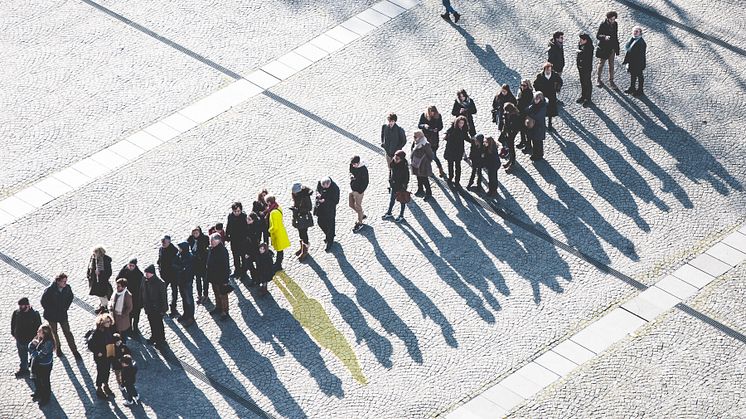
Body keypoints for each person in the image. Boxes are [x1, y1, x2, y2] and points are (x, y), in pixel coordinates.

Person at [41, 273, 82, 360]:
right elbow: (43, 302)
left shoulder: (67, 288)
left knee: (67, 332)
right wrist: (51, 310)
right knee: (54, 332)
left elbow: (71, 297)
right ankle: (58, 348)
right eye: (63, 281)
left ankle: (74, 351)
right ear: (58, 281)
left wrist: (65, 308)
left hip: (62, 314)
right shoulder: (50, 290)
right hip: (52, 316)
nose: (65, 283)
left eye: (66, 281)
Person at [85, 313, 116, 399]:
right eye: (107, 322)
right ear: (102, 322)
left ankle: (106, 385)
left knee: (107, 371)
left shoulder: (108, 329)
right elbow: (90, 345)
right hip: (101, 356)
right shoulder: (96, 333)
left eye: (109, 321)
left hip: (108, 353)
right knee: (101, 371)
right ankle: (99, 388)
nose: (109, 323)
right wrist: (97, 352)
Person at [11, 297, 41, 378]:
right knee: (22, 355)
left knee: (33, 356)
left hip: (31, 340)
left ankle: (34, 372)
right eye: (20, 306)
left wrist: (37, 338)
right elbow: (13, 324)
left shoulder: (34, 314)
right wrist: (14, 333)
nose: (20, 308)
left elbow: (39, 327)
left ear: (27, 306)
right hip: (20, 339)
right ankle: (24, 369)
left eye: (22, 306)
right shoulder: (16, 313)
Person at [28, 325, 55, 405]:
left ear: (44, 333)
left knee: (45, 381)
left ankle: (46, 397)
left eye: (39, 331)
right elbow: (29, 346)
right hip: (37, 363)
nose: (37, 332)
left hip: (44, 365)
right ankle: (38, 392)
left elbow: (41, 355)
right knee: (36, 379)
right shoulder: (39, 338)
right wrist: (33, 344)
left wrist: (33, 351)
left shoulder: (49, 342)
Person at [206, 233, 231, 321]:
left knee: (223, 294)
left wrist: (225, 280)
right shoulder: (212, 249)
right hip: (213, 276)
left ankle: (225, 310)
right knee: (216, 293)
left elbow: (225, 267)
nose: (211, 243)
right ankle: (218, 307)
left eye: (212, 241)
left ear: (218, 241)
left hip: (221, 278)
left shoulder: (222, 251)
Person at [141, 264, 167, 346]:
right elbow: (142, 291)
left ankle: (160, 339)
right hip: (149, 307)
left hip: (157, 307)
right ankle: (154, 336)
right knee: (152, 322)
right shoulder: (145, 280)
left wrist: (164, 309)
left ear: (152, 273)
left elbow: (163, 297)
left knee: (158, 324)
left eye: (147, 273)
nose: (146, 275)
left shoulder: (160, 283)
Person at [382, 150, 410, 223]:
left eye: (397, 159)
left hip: (400, 187)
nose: (395, 159)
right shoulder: (393, 163)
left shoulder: (404, 167)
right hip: (394, 185)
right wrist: (390, 180)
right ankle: (389, 212)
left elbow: (406, 178)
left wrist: (403, 186)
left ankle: (401, 215)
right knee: (392, 200)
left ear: (401, 159)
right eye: (395, 157)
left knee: (402, 201)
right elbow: (391, 172)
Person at [533, 62, 563, 130]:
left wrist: (557, 88)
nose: (548, 71)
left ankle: (550, 123)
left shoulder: (554, 75)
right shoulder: (540, 76)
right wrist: (539, 92)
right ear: (544, 69)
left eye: (549, 70)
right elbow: (535, 84)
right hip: (543, 95)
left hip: (551, 94)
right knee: (542, 109)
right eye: (547, 70)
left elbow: (560, 81)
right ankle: (543, 123)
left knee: (550, 109)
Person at [116, 258, 142, 334]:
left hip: (136, 297)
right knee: (128, 312)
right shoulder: (124, 270)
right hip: (126, 296)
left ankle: (135, 326)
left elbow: (141, 286)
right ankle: (129, 327)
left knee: (136, 312)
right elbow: (118, 279)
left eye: (132, 266)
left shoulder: (139, 274)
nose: (130, 267)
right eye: (129, 265)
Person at [418, 105, 445, 178]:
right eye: (431, 112)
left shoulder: (438, 116)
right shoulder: (424, 116)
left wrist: (437, 129)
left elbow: (441, 126)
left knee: (433, 156)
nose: (432, 114)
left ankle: (440, 168)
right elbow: (419, 125)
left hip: (434, 139)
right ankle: (428, 170)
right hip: (426, 139)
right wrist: (424, 126)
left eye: (433, 112)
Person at [443, 116, 470, 187]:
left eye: (462, 123)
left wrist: (472, 141)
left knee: (458, 166)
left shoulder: (464, 130)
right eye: (460, 123)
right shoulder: (452, 129)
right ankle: (450, 177)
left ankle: (457, 180)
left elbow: (466, 137)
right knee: (450, 165)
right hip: (451, 150)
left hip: (459, 150)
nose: (461, 124)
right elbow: (447, 137)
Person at [266, 195, 291, 272]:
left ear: (269, 202)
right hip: (281, 232)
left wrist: (269, 231)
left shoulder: (273, 212)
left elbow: (274, 227)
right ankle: (278, 264)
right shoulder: (278, 207)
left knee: (279, 251)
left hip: (277, 234)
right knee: (280, 250)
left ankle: (278, 265)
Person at [596, 10, 620, 89]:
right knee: (601, 64)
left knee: (611, 65)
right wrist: (604, 37)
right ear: (608, 18)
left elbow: (615, 36)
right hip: (604, 48)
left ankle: (611, 81)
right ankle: (598, 79)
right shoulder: (603, 24)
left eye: (614, 19)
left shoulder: (615, 24)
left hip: (612, 48)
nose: (613, 21)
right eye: (611, 19)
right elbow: (598, 36)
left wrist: (617, 49)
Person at [290, 183, 314, 261]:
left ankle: (305, 250)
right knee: (301, 233)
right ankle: (302, 248)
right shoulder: (296, 196)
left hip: (304, 217)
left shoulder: (305, 197)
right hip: (298, 217)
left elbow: (309, 208)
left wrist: (298, 210)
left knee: (304, 233)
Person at [174, 242, 195, 326]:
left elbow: (187, 270)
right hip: (181, 281)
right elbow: (175, 262)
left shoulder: (189, 257)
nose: (179, 250)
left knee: (189, 299)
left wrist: (180, 268)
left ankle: (191, 317)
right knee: (184, 299)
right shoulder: (179, 255)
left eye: (180, 248)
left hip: (187, 282)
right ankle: (186, 314)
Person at [316, 177, 341, 251]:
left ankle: (330, 240)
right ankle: (330, 235)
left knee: (330, 225)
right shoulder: (320, 183)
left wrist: (325, 201)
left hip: (329, 210)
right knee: (320, 222)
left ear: (329, 184)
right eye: (322, 186)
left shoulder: (335, 189)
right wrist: (318, 194)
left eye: (325, 187)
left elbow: (335, 201)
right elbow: (317, 189)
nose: (323, 188)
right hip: (321, 209)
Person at [226, 202, 249, 280]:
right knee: (235, 256)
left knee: (243, 256)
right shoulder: (230, 216)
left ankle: (243, 272)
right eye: (235, 211)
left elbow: (246, 229)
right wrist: (227, 235)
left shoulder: (244, 216)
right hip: (234, 240)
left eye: (238, 211)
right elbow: (228, 225)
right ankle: (237, 270)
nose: (237, 213)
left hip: (242, 240)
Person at [157, 235, 179, 316]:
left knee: (174, 292)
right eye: (162, 242)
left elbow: (177, 263)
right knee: (162, 291)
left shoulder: (174, 251)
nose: (163, 244)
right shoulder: (161, 249)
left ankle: (173, 308)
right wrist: (159, 266)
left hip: (173, 275)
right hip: (164, 275)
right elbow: (159, 260)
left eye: (164, 242)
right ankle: (163, 307)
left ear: (169, 242)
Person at [187, 227, 210, 305]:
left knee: (205, 280)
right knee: (197, 280)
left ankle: (206, 295)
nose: (195, 235)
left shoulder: (204, 238)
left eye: (197, 233)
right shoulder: (191, 239)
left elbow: (206, 249)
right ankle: (199, 295)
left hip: (203, 262)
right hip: (195, 263)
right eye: (194, 233)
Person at [623, 26, 647, 96]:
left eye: (637, 31)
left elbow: (640, 56)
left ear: (640, 33)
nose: (635, 33)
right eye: (634, 31)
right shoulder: (632, 38)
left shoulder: (641, 43)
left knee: (639, 76)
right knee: (633, 75)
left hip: (638, 63)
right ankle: (632, 88)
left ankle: (640, 90)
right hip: (632, 62)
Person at [411, 130, 434, 200]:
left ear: (420, 137)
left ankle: (428, 193)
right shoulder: (415, 143)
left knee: (425, 179)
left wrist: (426, 161)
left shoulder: (425, 144)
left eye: (415, 137)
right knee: (418, 178)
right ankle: (420, 189)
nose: (414, 138)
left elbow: (431, 155)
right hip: (416, 163)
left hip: (423, 165)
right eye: (414, 136)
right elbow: (412, 150)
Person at [349, 156, 369, 233]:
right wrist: (351, 176)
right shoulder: (352, 165)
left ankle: (360, 223)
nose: (353, 166)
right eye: (352, 164)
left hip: (359, 191)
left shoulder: (363, 170)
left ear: (358, 163)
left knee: (358, 206)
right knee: (351, 204)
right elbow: (351, 171)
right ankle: (362, 215)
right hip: (352, 188)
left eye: (354, 164)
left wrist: (360, 191)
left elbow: (366, 182)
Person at [526, 92, 548, 161]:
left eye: (537, 99)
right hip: (534, 126)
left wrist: (530, 114)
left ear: (540, 99)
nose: (535, 100)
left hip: (539, 127)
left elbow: (538, 116)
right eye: (535, 98)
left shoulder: (542, 106)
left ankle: (539, 155)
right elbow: (527, 109)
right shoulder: (533, 104)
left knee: (538, 142)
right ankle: (535, 154)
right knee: (535, 141)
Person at [243, 212, 263, 285]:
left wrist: (248, 253)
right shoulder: (248, 226)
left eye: (249, 219)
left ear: (253, 220)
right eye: (247, 218)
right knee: (250, 266)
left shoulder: (255, 229)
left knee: (254, 266)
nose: (247, 220)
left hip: (253, 251)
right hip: (249, 250)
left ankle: (256, 279)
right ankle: (255, 279)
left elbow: (253, 243)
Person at [501, 103, 522, 172]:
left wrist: (506, 119)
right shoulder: (509, 114)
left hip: (512, 132)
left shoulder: (515, 115)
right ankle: (510, 160)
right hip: (509, 132)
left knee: (511, 147)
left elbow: (512, 126)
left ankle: (512, 163)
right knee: (509, 147)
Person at [576, 33, 595, 106]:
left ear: (585, 40)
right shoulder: (581, 44)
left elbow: (586, 58)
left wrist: (580, 52)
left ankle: (588, 98)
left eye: (581, 39)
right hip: (580, 67)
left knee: (587, 83)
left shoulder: (590, 47)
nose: (580, 41)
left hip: (586, 68)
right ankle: (583, 96)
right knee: (582, 82)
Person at [516, 79, 534, 150]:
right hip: (520, 113)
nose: (522, 87)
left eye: (524, 85)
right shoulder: (520, 91)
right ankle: (522, 141)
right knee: (521, 129)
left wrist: (519, 99)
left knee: (527, 131)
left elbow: (525, 104)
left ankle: (528, 145)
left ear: (528, 85)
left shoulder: (529, 93)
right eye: (521, 85)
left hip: (526, 114)